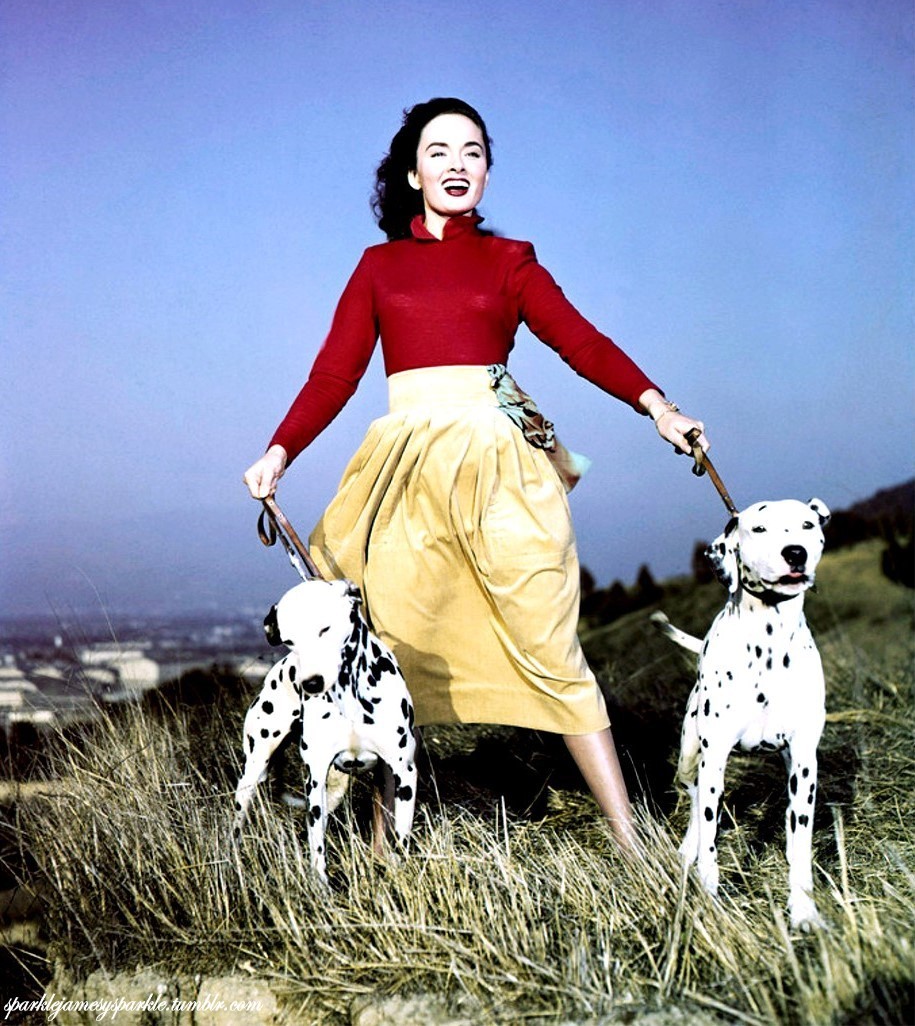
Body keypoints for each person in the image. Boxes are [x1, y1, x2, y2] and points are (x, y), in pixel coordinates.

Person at [244, 97, 708, 852]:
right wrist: (278, 451)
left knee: (549, 640)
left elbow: (581, 342)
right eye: (440, 151)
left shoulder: (511, 260)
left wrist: (658, 408)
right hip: (404, 475)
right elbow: (333, 375)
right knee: (391, 645)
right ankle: (380, 850)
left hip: (500, 468)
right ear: (410, 172)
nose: (458, 163)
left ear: (487, 170)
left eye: (473, 151)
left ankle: (631, 841)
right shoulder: (377, 267)